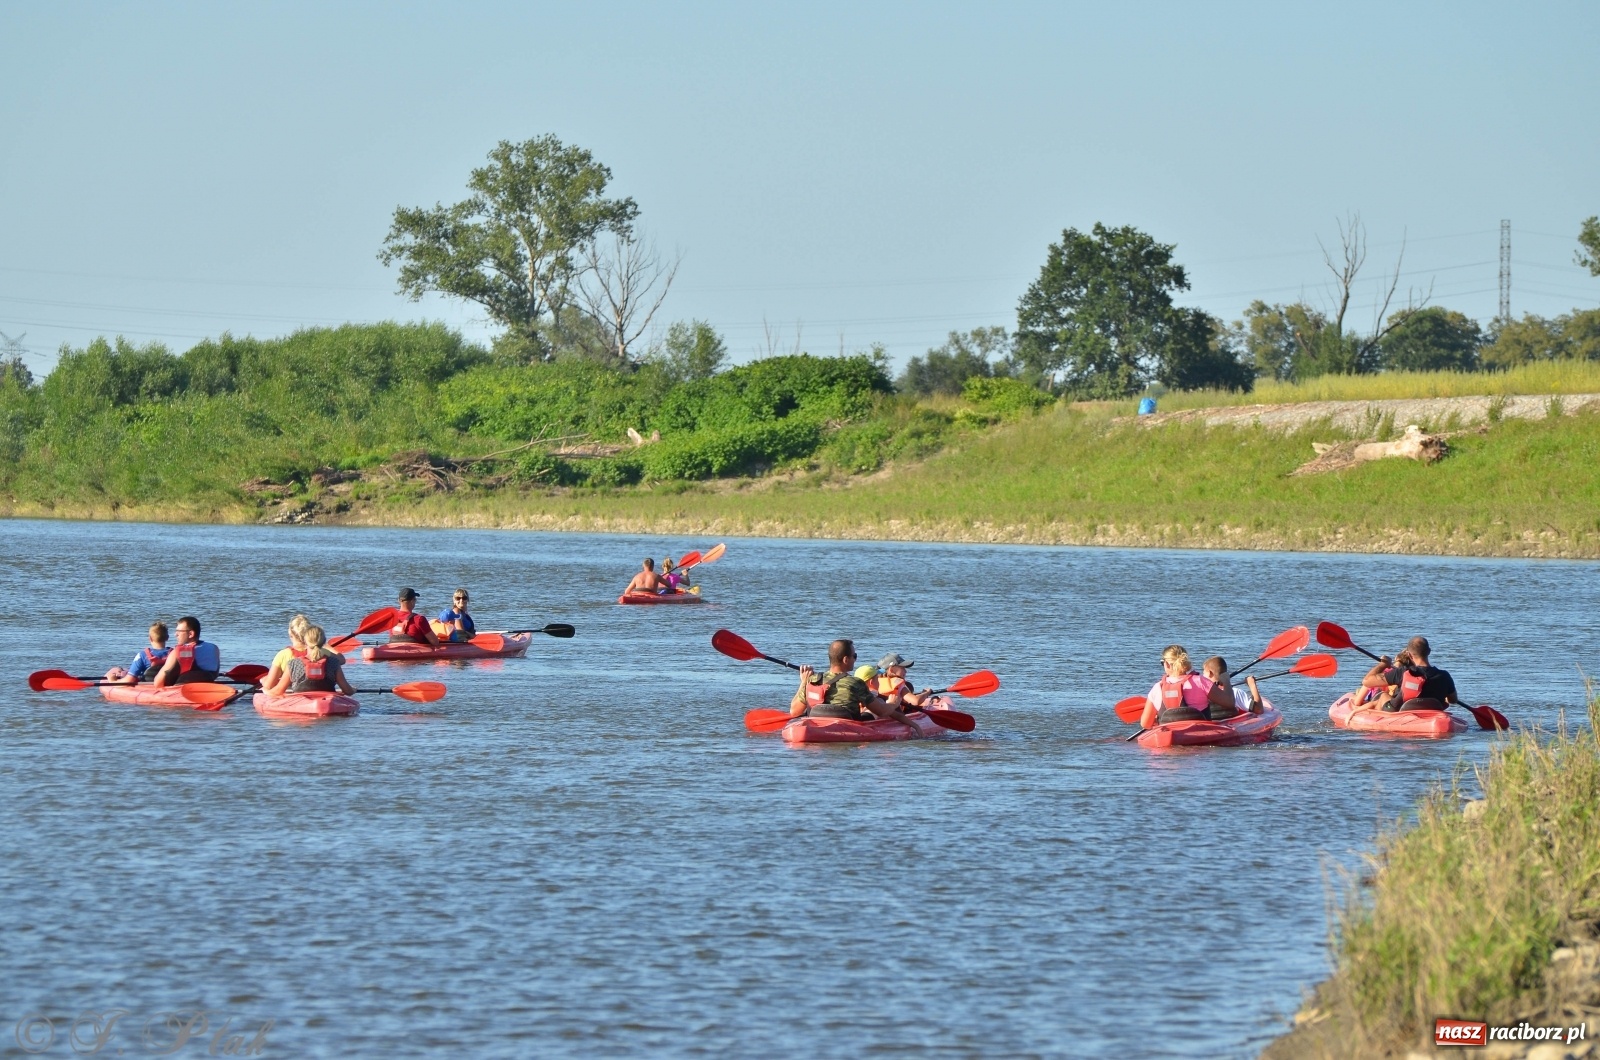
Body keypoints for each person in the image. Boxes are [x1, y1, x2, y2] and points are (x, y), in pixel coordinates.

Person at [790, 638, 921, 729]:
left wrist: (803, 682)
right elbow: (881, 711)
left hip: (817, 724)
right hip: (847, 726)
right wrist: (894, 703)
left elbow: (794, 712)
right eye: (855, 656)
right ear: (846, 659)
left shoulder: (813, 680)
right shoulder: (855, 683)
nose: (855, 659)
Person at [1139, 645, 1238, 728]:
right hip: (1200, 735)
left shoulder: (1157, 688)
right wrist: (1226, 681)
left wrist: (1158, 718)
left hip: (1169, 738)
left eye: (1162, 663)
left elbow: (1145, 724)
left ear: (1167, 664)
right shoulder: (1200, 681)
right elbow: (1229, 703)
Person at [1361, 636, 1461, 712]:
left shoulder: (1404, 672)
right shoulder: (1444, 676)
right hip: (1432, 711)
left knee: (1383, 695)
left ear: (1409, 655)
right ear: (1429, 652)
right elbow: (1453, 700)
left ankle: (1379, 722)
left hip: (1401, 711)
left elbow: (1366, 682)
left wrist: (1383, 664)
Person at [262, 624, 355, 697]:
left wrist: (265, 691)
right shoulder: (334, 663)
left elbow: (278, 691)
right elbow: (348, 691)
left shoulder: (293, 663)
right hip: (327, 700)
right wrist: (353, 689)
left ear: (305, 642)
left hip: (300, 702)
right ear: (324, 642)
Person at [152, 616, 221, 687]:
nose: (176, 634)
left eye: (179, 631)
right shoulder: (214, 648)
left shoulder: (176, 652)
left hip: (182, 691)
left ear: (191, 634)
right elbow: (215, 674)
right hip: (207, 687)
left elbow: (158, 683)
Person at [104, 621, 171, 684]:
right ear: (167, 638)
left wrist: (112, 681)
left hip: (148, 686)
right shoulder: (174, 654)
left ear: (150, 638)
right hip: (169, 684)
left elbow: (129, 680)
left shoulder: (142, 655)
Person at [265, 614, 311, 691]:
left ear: (290, 633)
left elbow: (269, 685)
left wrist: (263, 681)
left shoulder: (283, 655)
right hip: (317, 693)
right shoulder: (319, 652)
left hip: (290, 694)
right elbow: (338, 659)